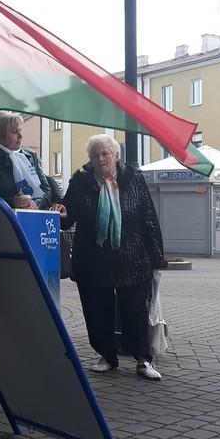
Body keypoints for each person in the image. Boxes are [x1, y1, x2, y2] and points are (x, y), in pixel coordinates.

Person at [62, 134, 166, 381]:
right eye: (95, 155)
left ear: (116, 156)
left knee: (135, 311)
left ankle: (143, 359)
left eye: (105, 153)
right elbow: (67, 216)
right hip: (93, 261)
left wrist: (157, 257)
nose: (100, 159)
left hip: (133, 258)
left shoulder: (134, 179)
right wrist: (61, 212)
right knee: (97, 312)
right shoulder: (80, 182)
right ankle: (107, 356)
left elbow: (149, 218)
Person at [0, 111, 64, 212]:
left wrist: (36, 204)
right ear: (0, 136)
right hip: (2, 219)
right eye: (15, 132)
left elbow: (46, 189)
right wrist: (12, 202)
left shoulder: (30, 156)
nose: (20, 136)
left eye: (20, 131)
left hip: (34, 216)